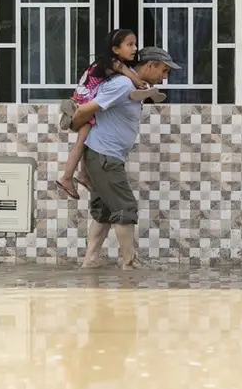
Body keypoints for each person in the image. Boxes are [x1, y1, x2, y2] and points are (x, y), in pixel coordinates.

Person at [68, 46, 179, 269]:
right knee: (125, 208)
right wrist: (73, 124)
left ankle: (90, 262)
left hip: (103, 155)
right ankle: (129, 262)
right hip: (104, 155)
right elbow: (85, 110)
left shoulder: (131, 84)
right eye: (164, 71)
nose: (164, 77)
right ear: (150, 65)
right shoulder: (122, 84)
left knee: (105, 211)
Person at [56, 29, 164, 200]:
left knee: (87, 141)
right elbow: (130, 75)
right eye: (129, 44)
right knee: (81, 143)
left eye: (135, 44)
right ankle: (67, 178)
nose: (134, 48)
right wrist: (139, 83)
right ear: (115, 49)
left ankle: (82, 175)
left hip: (85, 100)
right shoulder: (113, 63)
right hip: (82, 102)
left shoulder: (115, 65)